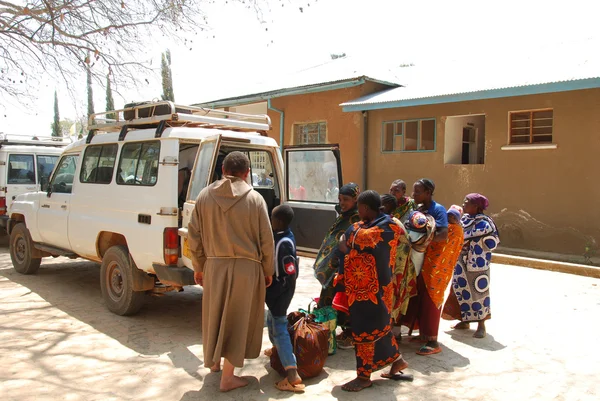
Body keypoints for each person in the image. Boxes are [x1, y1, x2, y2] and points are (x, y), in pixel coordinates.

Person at [187, 151, 274, 392]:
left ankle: (214, 363)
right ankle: (228, 378)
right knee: (238, 319)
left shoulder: (204, 196)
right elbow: (266, 240)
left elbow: (193, 235)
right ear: (247, 173)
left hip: (214, 265)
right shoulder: (255, 199)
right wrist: (268, 269)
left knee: (214, 314)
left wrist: (199, 265)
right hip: (247, 268)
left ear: (223, 170)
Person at [336, 190, 411, 392]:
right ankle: (397, 361)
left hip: (374, 290)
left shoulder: (389, 226)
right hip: (363, 289)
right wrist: (349, 242)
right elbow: (349, 237)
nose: (357, 212)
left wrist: (348, 242)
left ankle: (363, 377)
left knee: (365, 330)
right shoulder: (369, 224)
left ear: (365, 208)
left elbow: (356, 238)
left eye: (359, 207)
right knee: (380, 326)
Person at [409, 179, 463, 356]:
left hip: (434, 262)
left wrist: (421, 237)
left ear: (428, 192)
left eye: (417, 192)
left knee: (432, 296)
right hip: (419, 259)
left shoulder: (437, 210)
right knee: (421, 295)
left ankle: (432, 341)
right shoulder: (417, 209)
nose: (414, 195)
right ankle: (423, 334)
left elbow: (442, 235)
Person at [442, 194, 500, 338]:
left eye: (466, 203)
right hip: (460, 262)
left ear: (476, 206)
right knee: (459, 289)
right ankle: (464, 320)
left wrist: (474, 244)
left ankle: (481, 325)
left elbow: (493, 242)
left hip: (477, 265)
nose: (463, 205)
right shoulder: (463, 220)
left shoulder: (486, 223)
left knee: (478, 293)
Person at [313, 183, 360, 349]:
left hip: (346, 267)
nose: (342, 202)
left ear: (355, 199)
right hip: (334, 268)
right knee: (331, 297)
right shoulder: (344, 215)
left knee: (344, 300)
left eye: (346, 199)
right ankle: (329, 331)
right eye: (340, 199)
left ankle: (350, 334)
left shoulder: (357, 218)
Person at [264, 205, 305, 393]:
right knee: (271, 321)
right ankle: (278, 353)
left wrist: (275, 293)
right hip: (277, 293)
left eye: (271, 217)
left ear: (278, 221)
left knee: (279, 327)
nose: (270, 221)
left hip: (280, 293)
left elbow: (289, 273)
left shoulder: (283, 243)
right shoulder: (281, 236)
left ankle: (292, 375)